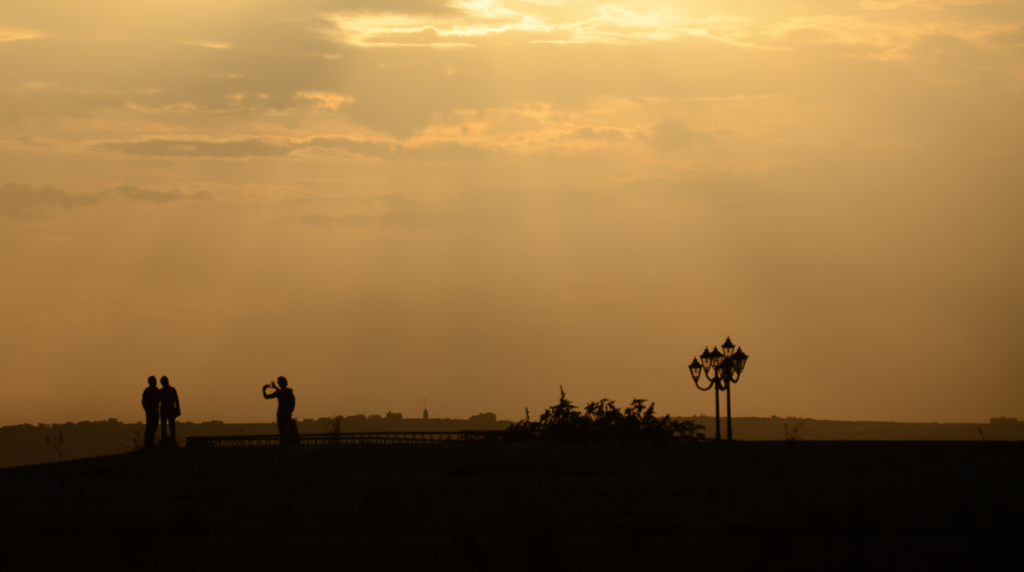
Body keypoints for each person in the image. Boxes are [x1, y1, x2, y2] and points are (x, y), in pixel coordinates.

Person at [263, 376, 297, 441]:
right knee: (281, 430)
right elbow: (267, 397)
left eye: (279, 383)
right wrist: (264, 390)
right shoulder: (279, 392)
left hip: (286, 413)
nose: (279, 384)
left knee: (287, 429)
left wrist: (276, 388)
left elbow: (285, 394)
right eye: (278, 383)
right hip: (280, 413)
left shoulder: (289, 391)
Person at [159, 375, 181, 446]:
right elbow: (176, 400)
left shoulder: (164, 391)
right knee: (168, 427)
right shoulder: (169, 390)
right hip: (167, 410)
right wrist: (178, 409)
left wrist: (178, 409)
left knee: (168, 426)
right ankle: (168, 441)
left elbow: (176, 400)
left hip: (167, 410)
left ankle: (169, 441)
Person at [141, 376, 160, 448]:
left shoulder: (156, 390)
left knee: (154, 427)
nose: (155, 382)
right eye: (154, 381)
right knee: (150, 428)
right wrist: (148, 409)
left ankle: (150, 444)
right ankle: (148, 444)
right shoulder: (148, 391)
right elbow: (144, 402)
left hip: (155, 411)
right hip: (150, 412)